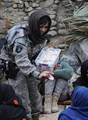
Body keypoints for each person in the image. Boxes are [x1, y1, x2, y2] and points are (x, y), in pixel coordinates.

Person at [0, 9, 51, 120]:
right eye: (40, 26)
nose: (43, 30)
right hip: (14, 66)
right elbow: (21, 61)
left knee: (35, 94)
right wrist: (38, 74)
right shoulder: (21, 37)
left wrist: (47, 66)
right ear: (34, 24)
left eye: (46, 27)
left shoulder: (41, 37)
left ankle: (36, 115)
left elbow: (39, 55)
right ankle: (25, 117)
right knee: (22, 96)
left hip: (30, 66)